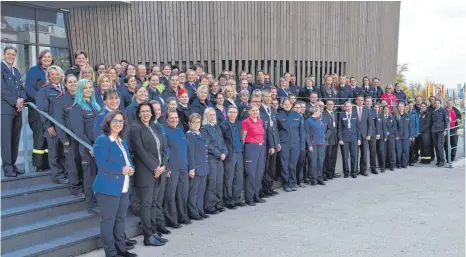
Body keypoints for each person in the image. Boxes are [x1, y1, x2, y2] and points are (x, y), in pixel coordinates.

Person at [93, 110, 137, 257]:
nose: (118, 124)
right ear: (108, 123)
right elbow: (102, 165)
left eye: (121, 121)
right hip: (107, 188)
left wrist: (131, 169)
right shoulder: (102, 140)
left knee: (120, 220)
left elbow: (128, 162)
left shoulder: (122, 141)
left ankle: (121, 249)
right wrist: (122, 169)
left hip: (123, 187)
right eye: (115, 121)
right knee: (108, 221)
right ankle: (111, 253)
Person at [130, 102, 169, 247]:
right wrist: (155, 168)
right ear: (139, 113)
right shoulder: (135, 128)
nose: (146, 113)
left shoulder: (156, 126)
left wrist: (164, 165)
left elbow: (164, 148)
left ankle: (154, 232)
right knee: (146, 205)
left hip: (159, 170)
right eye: (143, 111)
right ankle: (147, 237)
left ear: (152, 113)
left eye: (148, 111)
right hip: (146, 172)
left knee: (154, 203)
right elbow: (140, 151)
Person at [70, 79, 102, 213]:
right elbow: (79, 133)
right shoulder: (76, 108)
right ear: (80, 91)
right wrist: (90, 148)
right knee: (90, 177)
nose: (89, 90)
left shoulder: (96, 106)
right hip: (88, 149)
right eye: (85, 88)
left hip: (99, 147)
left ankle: (100, 200)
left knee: (100, 176)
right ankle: (92, 204)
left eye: (90, 87)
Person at [36, 65, 67, 183]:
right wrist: (48, 126)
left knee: (64, 152)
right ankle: (58, 176)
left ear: (61, 75)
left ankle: (66, 173)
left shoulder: (65, 88)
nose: (55, 76)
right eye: (52, 74)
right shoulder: (44, 90)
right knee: (54, 152)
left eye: (57, 74)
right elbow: (42, 111)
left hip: (65, 127)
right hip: (52, 127)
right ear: (48, 76)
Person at [53, 74, 82, 195]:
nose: (73, 84)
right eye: (70, 82)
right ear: (65, 84)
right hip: (70, 138)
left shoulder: (82, 98)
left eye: (75, 82)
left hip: (82, 137)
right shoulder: (61, 100)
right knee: (72, 163)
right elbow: (58, 121)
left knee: (83, 162)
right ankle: (75, 187)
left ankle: (84, 185)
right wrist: (63, 138)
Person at [25, 49, 52, 172]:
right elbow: (29, 88)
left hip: (49, 109)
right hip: (37, 109)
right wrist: (41, 101)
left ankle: (47, 162)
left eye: (49, 57)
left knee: (48, 136)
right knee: (39, 136)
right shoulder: (33, 71)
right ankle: (39, 164)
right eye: (44, 57)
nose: (47, 59)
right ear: (40, 59)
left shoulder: (53, 71)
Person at [1, 46, 26, 177]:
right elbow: (2, 89)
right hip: (5, 109)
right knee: (6, 139)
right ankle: (7, 167)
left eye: (13, 55)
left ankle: (13, 163)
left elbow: (21, 88)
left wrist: (22, 98)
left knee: (15, 138)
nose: (11, 56)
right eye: (8, 54)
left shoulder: (15, 71)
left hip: (17, 109)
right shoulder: (1, 69)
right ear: (3, 54)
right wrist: (16, 101)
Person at [164, 110, 190, 228]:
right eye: (171, 118)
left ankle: (182, 216)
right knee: (171, 194)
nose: (174, 120)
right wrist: (167, 167)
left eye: (176, 118)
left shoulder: (180, 130)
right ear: (167, 120)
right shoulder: (165, 131)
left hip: (183, 166)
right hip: (172, 167)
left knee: (182, 193)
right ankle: (172, 219)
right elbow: (165, 151)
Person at [201, 107, 228, 214]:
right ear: (206, 116)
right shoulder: (204, 129)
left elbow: (222, 142)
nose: (212, 117)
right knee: (212, 182)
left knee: (219, 181)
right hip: (212, 158)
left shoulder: (217, 128)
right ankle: (210, 206)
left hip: (220, 158)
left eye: (213, 115)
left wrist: (225, 152)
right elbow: (208, 145)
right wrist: (219, 153)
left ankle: (219, 203)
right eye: (210, 115)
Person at [185, 113, 211, 220]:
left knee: (201, 191)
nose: (196, 124)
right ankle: (193, 212)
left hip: (203, 166)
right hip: (195, 167)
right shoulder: (190, 135)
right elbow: (190, 153)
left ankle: (200, 210)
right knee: (194, 192)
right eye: (193, 122)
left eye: (198, 122)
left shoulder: (200, 134)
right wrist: (191, 168)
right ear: (189, 124)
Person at [220, 106, 246, 208]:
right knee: (229, 178)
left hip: (239, 153)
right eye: (230, 112)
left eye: (235, 112)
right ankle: (228, 200)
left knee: (238, 177)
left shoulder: (239, 124)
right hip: (230, 154)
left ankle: (237, 198)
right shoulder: (223, 125)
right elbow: (221, 141)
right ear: (227, 113)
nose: (233, 114)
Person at [277, 98, 305, 192]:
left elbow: (302, 132)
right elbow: (276, 132)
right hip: (284, 143)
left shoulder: (298, 116)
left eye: (289, 104)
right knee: (284, 164)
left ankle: (293, 182)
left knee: (293, 164)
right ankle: (286, 183)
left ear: (291, 105)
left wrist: (302, 145)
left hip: (295, 144)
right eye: (285, 104)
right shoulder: (279, 116)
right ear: (282, 105)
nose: (287, 105)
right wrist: (278, 143)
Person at [242, 104, 267, 205]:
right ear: (249, 112)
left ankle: (257, 195)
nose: (255, 112)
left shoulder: (261, 121)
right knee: (251, 174)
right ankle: (249, 198)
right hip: (251, 147)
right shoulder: (246, 122)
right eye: (252, 110)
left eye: (256, 110)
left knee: (259, 173)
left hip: (261, 147)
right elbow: (243, 138)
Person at [259, 90, 280, 196]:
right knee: (265, 166)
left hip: (274, 142)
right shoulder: (259, 110)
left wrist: (277, 143)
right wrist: (270, 144)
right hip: (265, 143)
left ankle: (270, 186)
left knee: (272, 166)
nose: (268, 98)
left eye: (269, 96)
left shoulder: (272, 109)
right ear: (262, 98)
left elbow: (275, 128)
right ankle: (264, 188)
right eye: (266, 96)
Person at [305, 105, 327, 185]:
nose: (320, 112)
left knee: (320, 162)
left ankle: (319, 178)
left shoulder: (320, 120)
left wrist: (324, 141)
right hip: (313, 144)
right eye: (318, 110)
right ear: (314, 111)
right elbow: (306, 134)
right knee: (313, 162)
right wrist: (309, 144)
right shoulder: (308, 121)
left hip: (321, 144)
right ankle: (313, 179)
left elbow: (323, 132)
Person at [338, 101, 361, 178]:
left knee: (354, 156)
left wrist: (359, 139)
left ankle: (354, 172)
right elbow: (339, 128)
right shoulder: (341, 115)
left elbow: (358, 128)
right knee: (345, 156)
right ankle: (346, 172)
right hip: (344, 139)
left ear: (352, 107)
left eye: (350, 106)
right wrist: (340, 138)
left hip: (354, 138)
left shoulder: (355, 114)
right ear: (344, 107)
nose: (349, 108)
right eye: (347, 106)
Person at [353, 95, 372, 176]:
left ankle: (363, 170)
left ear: (363, 101)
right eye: (358, 100)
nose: (360, 101)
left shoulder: (367, 110)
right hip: (355, 135)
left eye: (361, 100)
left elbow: (370, 124)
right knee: (355, 153)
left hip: (364, 136)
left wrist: (369, 134)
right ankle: (354, 171)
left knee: (364, 154)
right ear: (356, 101)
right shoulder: (352, 109)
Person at [322, 100, 340, 179]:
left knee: (334, 157)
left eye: (331, 104)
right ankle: (327, 173)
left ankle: (332, 172)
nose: (330, 105)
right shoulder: (323, 114)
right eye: (328, 104)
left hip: (335, 139)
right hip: (328, 139)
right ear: (326, 105)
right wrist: (326, 138)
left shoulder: (335, 113)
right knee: (327, 157)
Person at [395, 102, 414, 169]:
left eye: (402, 106)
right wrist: (396, 135)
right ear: (398, 107)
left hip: (406, 136)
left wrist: (411, 136)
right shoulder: (395, 116)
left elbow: (410, 127)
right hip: (398, 137)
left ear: (404, 107)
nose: (400, 108)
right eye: (399, 106)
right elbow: (395, 127)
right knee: (398, 151)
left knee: (405, 150)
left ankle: (404, 163)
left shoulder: (408, 116)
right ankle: (399, 164)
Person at [431, 100, 448, 167]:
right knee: (436, 146)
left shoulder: (443, 111)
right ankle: (438, 160)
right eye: (436, 103)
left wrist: (445, 130)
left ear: (440, 104)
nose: (437, 104)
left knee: (440, 146)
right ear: (434, 104)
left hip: (441, 131)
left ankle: (442, 161)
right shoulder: (433, 111)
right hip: (434, 131)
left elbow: (446, 121)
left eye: (438, 103)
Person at [365, 96, 378, 174]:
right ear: (365, 102)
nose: (368, 103)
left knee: (372, 151)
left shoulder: (374, 111)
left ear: (371, 102)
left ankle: (373, 167)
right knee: (364, 153)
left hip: (373, 134)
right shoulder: (362, 110)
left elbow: (377, 123)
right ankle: (364, 169)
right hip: (364, 134)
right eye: (367, 101)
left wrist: (377, 133)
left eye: (370, 101)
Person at [373, 103, 387, 173]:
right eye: (375, 107)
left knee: (381, 151)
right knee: (374, 152)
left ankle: (383, 166)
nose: (376, 109)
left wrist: (385, 136)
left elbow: (384, 127)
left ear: (379, 108)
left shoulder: (381, 116)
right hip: (373, 137)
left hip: (381, 136)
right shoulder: (371, 115)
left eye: (377, 107)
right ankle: (374, 167)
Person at [383, 105, 397, 170]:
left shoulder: (392, 117)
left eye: (387, 109)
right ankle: (385, 164)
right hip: (383, 136)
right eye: (385, 109)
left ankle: (392, 165)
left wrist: (389, 132)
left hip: (391, 136)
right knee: (384, 151)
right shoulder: (381, 116)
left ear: (389, 110)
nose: (386, 110)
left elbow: (394, 127)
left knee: (391, 151)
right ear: (383, 110)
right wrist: (385, 132)